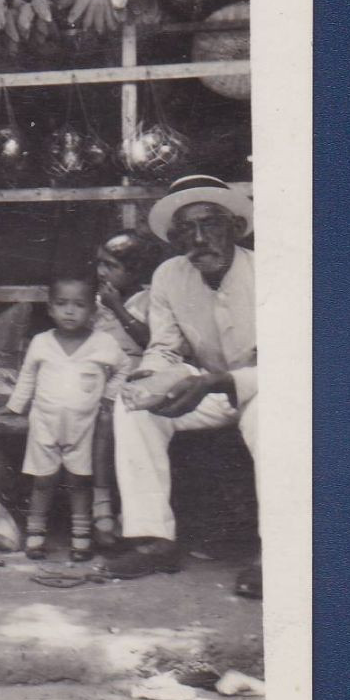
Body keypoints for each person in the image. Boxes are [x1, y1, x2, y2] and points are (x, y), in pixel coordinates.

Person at [105, 176, 258, 596]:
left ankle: (277, 552)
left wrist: (226, 380)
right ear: (175, 239)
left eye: (210, 224)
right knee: (134, 406)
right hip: (206, 388)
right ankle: (154, 540)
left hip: (264, 387)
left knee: (274, 417)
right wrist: (155, 379)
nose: (199, 238)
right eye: (186, 230)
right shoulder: (169, 276)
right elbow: (164, 348)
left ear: (235, 228)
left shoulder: (270, 272)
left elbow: (297, 362)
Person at [3, 275, 129, 561]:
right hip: (44, 423)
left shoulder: (103, 343)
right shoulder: (42, 342)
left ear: (93, 311)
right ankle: (35, 537)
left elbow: (124, 368)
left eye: (79, 305)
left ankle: (81, 538)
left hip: (84, 425)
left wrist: (109, 397)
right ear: (50, 308)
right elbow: (27, 377)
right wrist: (14, 406)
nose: (70, 311)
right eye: (62, 304)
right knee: (42, 480)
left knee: (79, 481)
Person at [89, 229, 166, 541]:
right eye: (99, 263)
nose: (101, 271)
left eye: (110, 265)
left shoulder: (149, 299)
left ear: (136, 271)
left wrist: (117, 307)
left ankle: (106, 508)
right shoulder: (97, 299)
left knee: (110, 416)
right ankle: (90, 507)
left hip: (133, 375)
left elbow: (154, 342)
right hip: (95, 372)